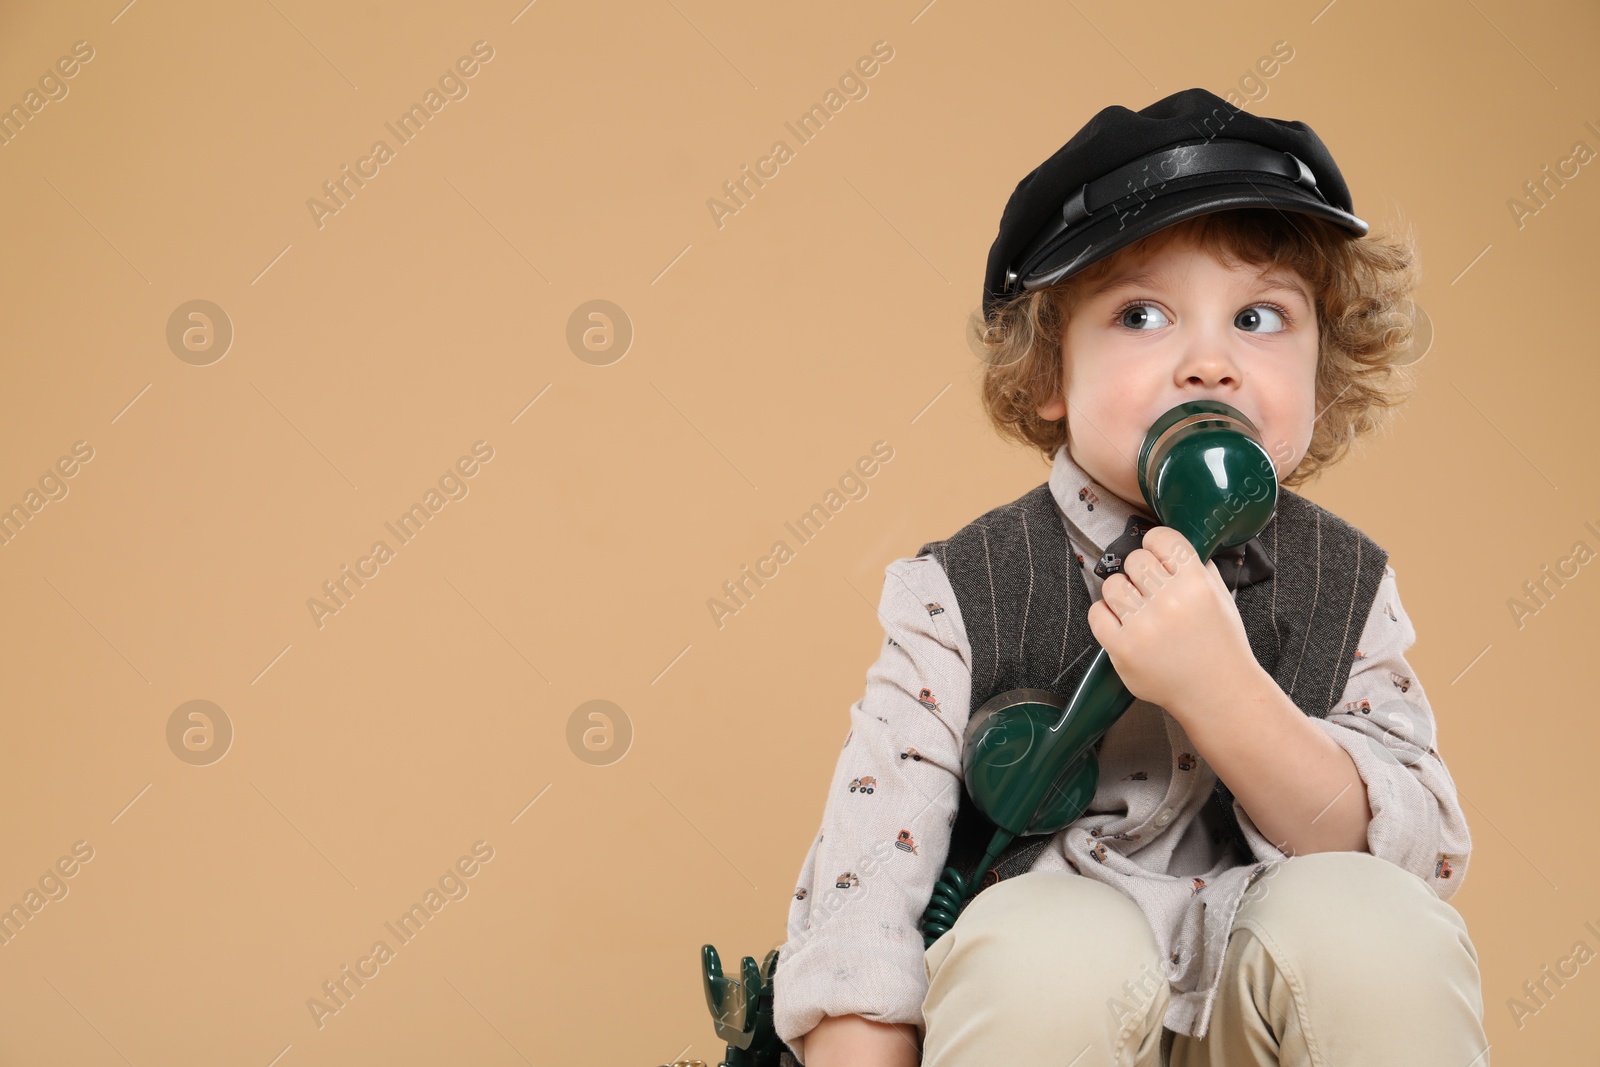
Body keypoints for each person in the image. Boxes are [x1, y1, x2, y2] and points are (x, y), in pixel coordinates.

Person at [770, 88, 1488, 1066]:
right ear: (1047, 372)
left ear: (1324, 367)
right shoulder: (958, 592)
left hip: (1265, 1023)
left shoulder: (1347, 582)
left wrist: (1220, 690)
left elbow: (1412, 852)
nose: (1210, 362)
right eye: (1142, 314)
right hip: (1045, 1025)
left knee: (1371, 917)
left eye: (1260, 316)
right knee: (1043, 946)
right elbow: (865, 889)